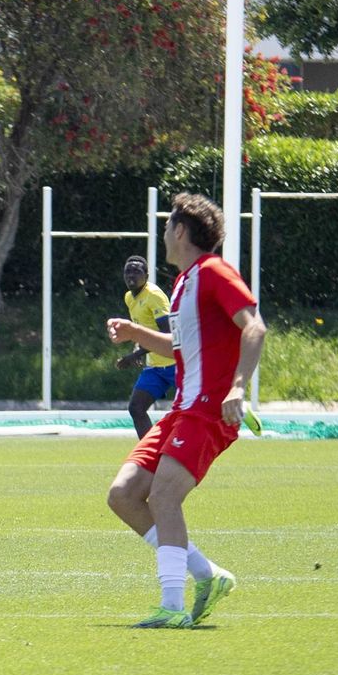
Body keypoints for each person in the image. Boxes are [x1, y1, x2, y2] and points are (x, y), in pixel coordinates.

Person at [105, 193, 266, 629]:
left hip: (208, 410)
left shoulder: (214, 271)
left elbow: (254, 326)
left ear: (180, 231)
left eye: (165, 227)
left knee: (163, 496)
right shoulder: (182, 284)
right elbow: (179, 350)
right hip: (181, 410)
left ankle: (172, 607)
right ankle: (205, 574)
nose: (162, 236)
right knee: (123, 495)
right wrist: (135, 332)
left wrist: (237, 386)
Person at [115, 254, 177, 438]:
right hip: (156, 367)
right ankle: (151, 455)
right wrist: (138, 350)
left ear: (147, 275)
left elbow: (167, 335)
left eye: (136, 271)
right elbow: (143, 329)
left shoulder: (154, 296)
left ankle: (239, 410)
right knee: (136, 408)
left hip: (176, 364)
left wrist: (136, 355)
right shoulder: (129, 297)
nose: (131, 275)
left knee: (195, 410)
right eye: (128, 271)